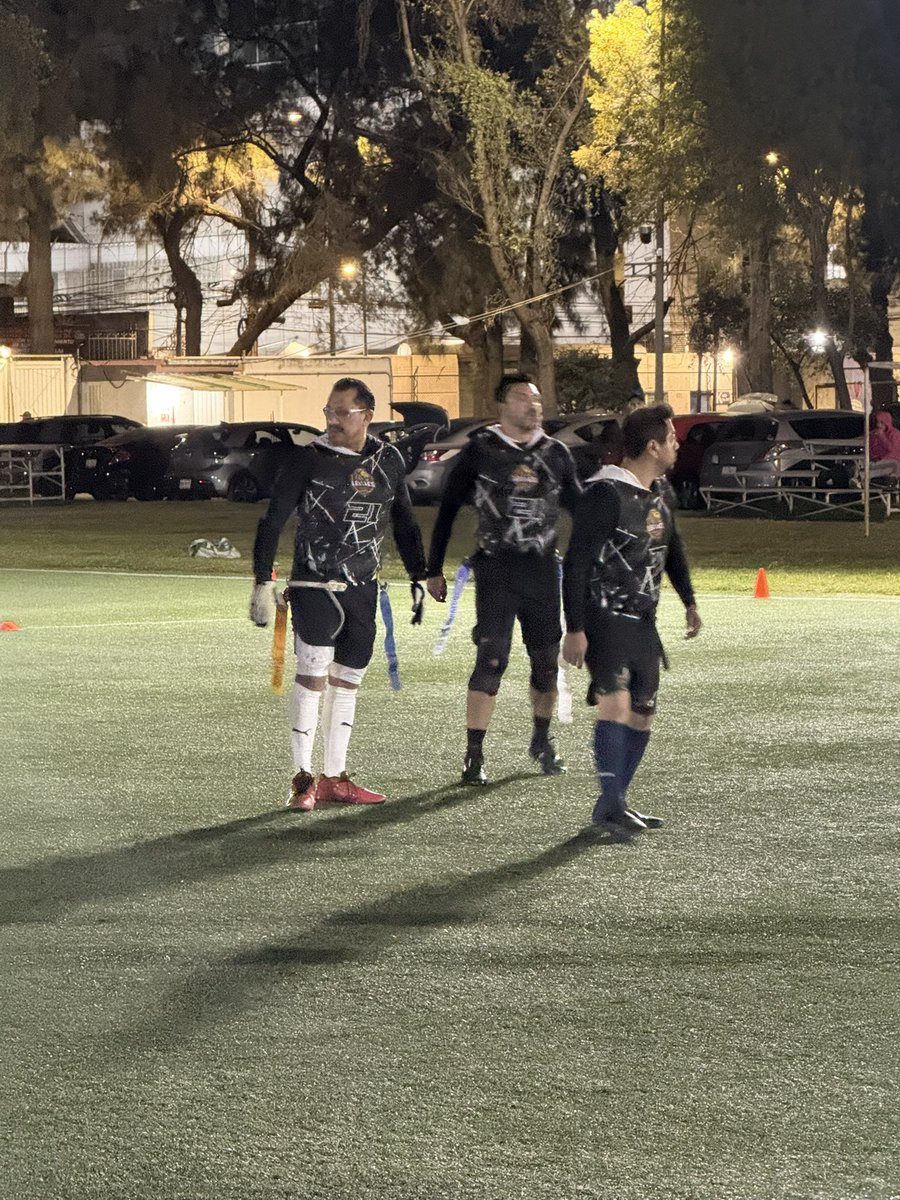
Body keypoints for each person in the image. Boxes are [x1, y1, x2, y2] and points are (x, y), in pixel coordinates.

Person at [250, 377, 426, 811]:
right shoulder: (307, 461)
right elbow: (273, 519)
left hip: (363, 590)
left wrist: (421, 574)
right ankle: (302, 779)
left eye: (341, 412)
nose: (331, 419)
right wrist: (262, 579)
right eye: (328, 411)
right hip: (314, 586)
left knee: (348, 682)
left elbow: (403, 520)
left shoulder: (389, 461)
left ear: (367, 416)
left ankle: (335, 777)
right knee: (312, 679)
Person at [426, 373, 582, 785]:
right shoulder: (481, 451)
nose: (532, 404)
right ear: (501, 405)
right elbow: (447, 512)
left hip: (543, 571)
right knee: (491, 659)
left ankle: (542, 740)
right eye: (521, 397)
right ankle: (474, 755)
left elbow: (582, 512)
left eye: (536, 398)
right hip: (497, 569)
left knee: (546, 664)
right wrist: (432, 567)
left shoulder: (556, 454)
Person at [562, 403, 702, 840]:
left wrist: (689, 601)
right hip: (605, 618)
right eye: (672, 437)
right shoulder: (605, 495)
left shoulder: (660, 492)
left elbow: (671, 548)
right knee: (617, 706)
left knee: (643, 713)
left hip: (644, 621)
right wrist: (575, 628)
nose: (678, 444)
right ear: (652, 446)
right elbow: (576, 564)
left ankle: (614, 802)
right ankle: (610, 807)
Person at [869, 410, 900, 475]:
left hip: (891, 461)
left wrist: (882, 436)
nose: (878, 425)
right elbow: (872, 449)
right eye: (877, 422)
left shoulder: (895, 433)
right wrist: (873, 438)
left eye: (881, 423)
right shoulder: (875, 433)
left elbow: (891, 449)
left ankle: (861, 476)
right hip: (878, 461)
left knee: (891, 466)